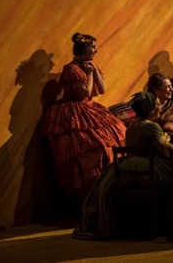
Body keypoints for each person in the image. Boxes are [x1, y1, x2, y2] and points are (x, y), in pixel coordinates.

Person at [74, 91, 173, 240]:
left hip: (127, 168)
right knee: (172, 179)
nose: (160, 108)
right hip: (148, 167)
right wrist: (171, 144)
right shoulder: (152, 127)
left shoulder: (132, 127)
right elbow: (164, 150)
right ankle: (163, 226)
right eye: (158, 105)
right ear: (150, 109)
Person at [43, 33, 126, 200]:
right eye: (92, 47)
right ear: (83, 48)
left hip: (90, 108)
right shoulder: (70, 69)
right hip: (74, 112)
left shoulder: (90, 65)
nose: (96, 50)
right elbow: (85, 93)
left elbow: (102, 90)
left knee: (118, 134)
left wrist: (93, 70)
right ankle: (90, 190)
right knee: (93, 146)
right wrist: (88, 74)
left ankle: (110, 184)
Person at [147, 72, 173, 140]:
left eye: (171, 86)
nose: (172, 89)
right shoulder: (147, 108)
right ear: (156, 90)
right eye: (168, 87)